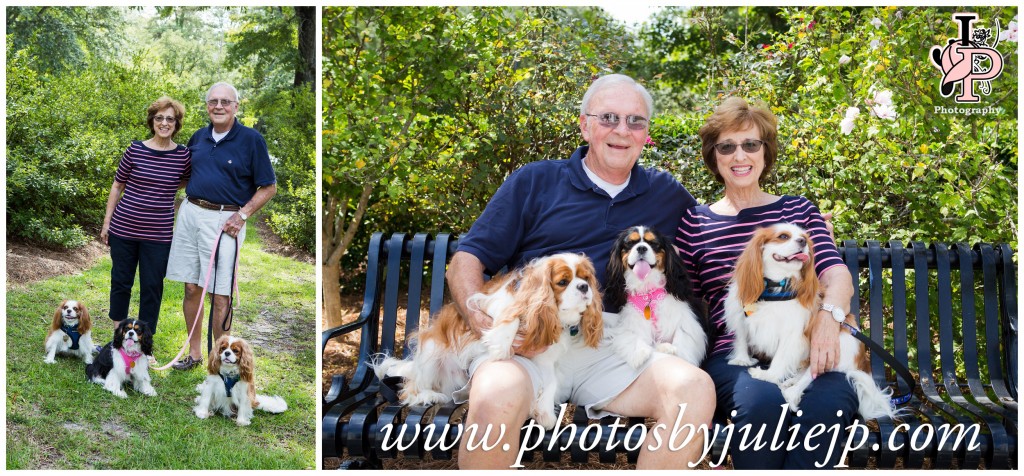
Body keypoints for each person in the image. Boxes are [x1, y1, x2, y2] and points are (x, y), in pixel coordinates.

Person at [447, 74, 716, 469]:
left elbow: (721, 241)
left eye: (635, 121)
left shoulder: (666, 194)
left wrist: (802, 233)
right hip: (532, 338)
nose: (622, 130)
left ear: (646, 134)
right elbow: (466, 260)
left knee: (693, 389)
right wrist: (488, 324)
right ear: (585, 125)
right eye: (608, 117)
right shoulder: (535, 181)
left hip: (612, 340)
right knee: (494, 392)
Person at [675, 97, 857, 469]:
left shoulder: (797, 212)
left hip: (807, 346)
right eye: (727, 146)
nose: (739, 155)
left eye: (750, 144)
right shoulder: (696, 223)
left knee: (826, 409)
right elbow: (682, 304)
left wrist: (829, 318)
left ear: (765, 152)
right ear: (714, 156)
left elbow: (835, 274)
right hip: (735, 354)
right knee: (761, 406)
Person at [166, 82, 277, 371]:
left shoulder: (251, 140)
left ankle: (220, 358)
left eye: (225, 102)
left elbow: (269, 187)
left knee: (219, 294)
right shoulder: (198, 137)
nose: (219, 106)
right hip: (191, 213)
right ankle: (194, 354)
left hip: (225, 221)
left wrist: (242, 215)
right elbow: (184, 176)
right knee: (191, 288)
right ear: (206, 106)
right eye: (213, 101)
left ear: (236, 106)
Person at [101, 96, 191, 337]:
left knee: (152, 287)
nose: (164, 123)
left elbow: (184, 180)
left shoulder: (183, 156)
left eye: (170, 119)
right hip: (124, 228)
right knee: (121, 282)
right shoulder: (135, 149)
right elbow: (117, 185)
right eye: (159, 118)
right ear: (152, 122)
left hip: (158, 234)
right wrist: (107, 222)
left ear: (176, 124)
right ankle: (119, 338)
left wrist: (166, 189)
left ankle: (144, 342)